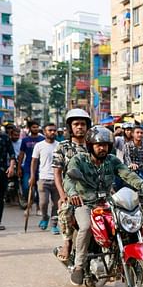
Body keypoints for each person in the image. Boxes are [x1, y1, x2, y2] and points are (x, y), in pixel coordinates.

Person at [64, 127, 143, 285]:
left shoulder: (112, 160)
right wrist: (73, 194)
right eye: (99, 145)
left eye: (106, 145)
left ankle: (124, 256)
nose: (103, 148)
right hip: (84, 203)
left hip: (107, 202)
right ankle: (79, 265)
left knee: (126, 222)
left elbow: (127, 174)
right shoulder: (79, 160)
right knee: (86, 226)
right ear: (90, 145)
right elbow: (69, 179)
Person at [53, 109, 91, 262]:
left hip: (93, 190)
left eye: (83, 124)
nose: (80, 127)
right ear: (70, 127)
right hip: (71, 192)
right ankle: (67, 242)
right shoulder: (62, 146)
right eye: (76, 124)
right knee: (65, 209)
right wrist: (63, 196)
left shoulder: (94, 145)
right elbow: (57, 173)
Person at [30, 124, 60, 233]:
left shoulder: (60, 145)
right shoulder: (39, 145)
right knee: (43, 202)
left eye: (54, 130)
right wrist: (32, 176)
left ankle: (54, 224)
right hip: (43, 178)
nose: (52, 132)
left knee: (56, 204)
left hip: (57, 180)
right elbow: (34, 161)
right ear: (44, 132)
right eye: (50, 130)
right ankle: (44, 217)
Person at [18, 120, 44, 207]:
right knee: (26, 186)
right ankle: (29, 199)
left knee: (39, 189)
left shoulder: (42, 139)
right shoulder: (25, 140)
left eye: (37, 127)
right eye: (34, 127)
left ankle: (38, 206)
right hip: (27, 167)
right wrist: (18, 167)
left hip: (40, 167)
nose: (36, 129)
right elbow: (21, 154)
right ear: (30, 128)